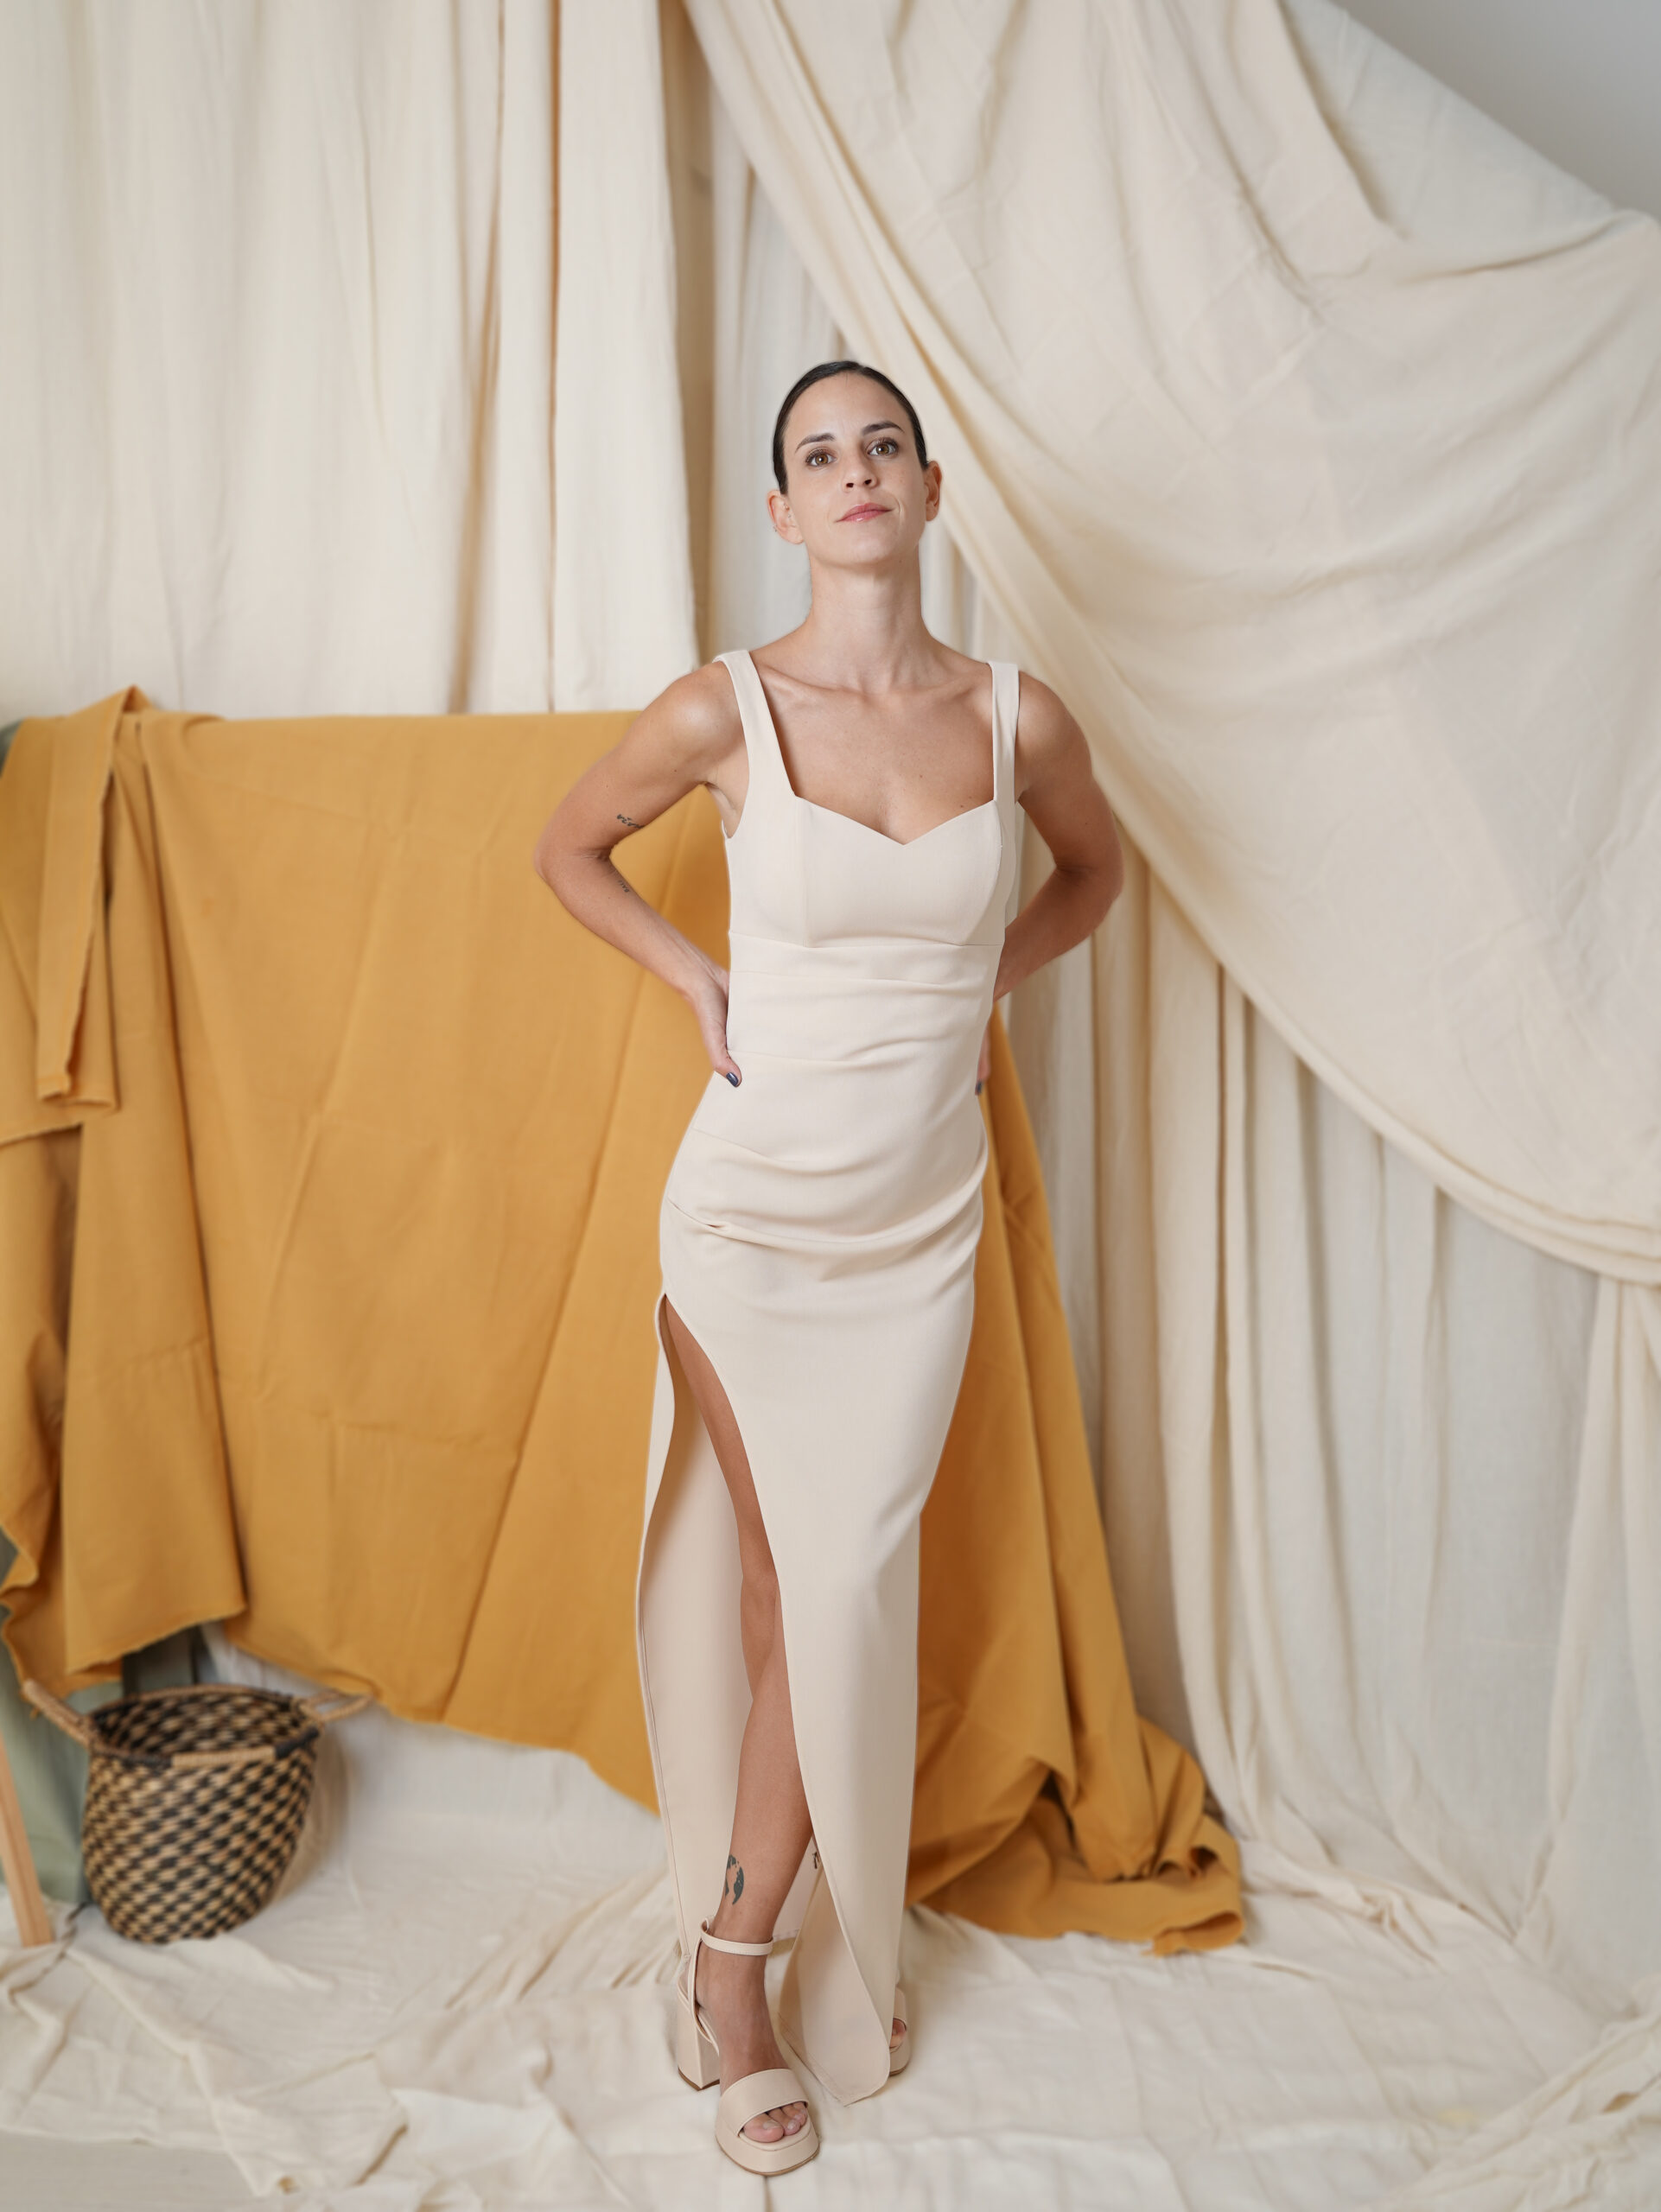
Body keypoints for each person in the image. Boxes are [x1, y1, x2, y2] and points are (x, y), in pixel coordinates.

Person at [534, 361, 1122, 2177]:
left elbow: (1093, 877)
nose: (855, 471)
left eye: (883, 445)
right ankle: (739, 1966)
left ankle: (733, 1934)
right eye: (818, 454)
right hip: (747, 1218)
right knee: (789, 1579)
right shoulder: (722, 707)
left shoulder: (1014, 719)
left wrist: (975, 988)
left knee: (838, 1579)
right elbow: (566, 847)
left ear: (929, 490)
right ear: (783, 511)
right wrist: (693, 978)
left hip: (916, 1225)